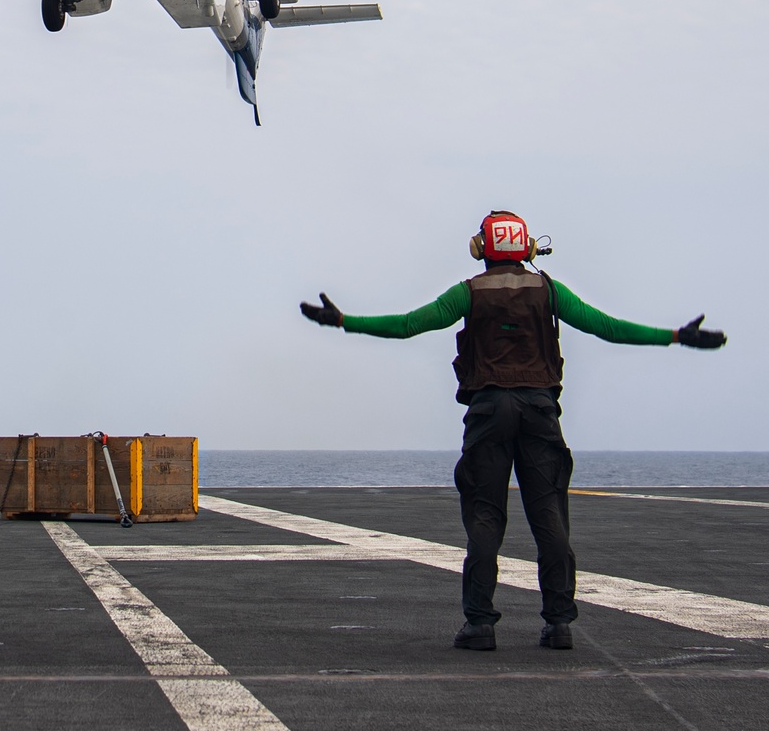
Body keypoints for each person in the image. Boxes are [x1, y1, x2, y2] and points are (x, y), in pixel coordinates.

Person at [300, 209, 727, 653]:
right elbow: (609, 328)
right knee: (550, 518)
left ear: (480, 249)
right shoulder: (548, 291)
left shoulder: (467, 294)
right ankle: (559, 623)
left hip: (488, 412)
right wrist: (677, 335)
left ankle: (480, 624)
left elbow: (409, 325)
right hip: (539, 411)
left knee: (485, 518)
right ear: (527, 248)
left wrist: (344, 321)